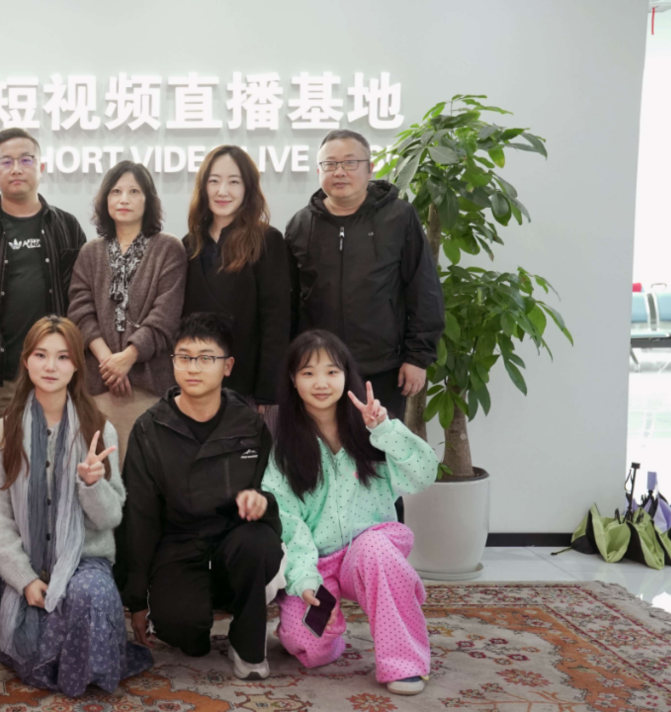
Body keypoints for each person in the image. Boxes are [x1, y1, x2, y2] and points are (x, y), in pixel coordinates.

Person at [0, 316, 152, 697]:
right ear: (26, 361)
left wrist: (92, 484)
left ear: (77, 367)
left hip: (85, 560)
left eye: (63, 357)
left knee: (90, 594)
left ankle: (83, 669)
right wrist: (24, 579)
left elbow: (111, 517)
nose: (51, 366)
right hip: (27, 562)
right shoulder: (2, 432)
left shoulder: (98, 428)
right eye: (41, 355)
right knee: (36, 623)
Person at [261, 329, 437, 696]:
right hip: (319, 561)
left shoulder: (374, 431)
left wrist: (385, 430)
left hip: (369, 550)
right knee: (307, 647)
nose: (321, 383)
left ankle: (404, 662)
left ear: (346, 376)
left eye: (331, 371)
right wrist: (305, 579)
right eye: (308, 373)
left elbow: (423, 474)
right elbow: (288, 524)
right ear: (293, 380)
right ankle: (327, 632)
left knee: (376, 550)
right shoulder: (284, 451)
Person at [0, 127, 88, 576]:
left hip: (53, 380)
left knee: (53, 469)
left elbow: (80, 301)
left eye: (26, 159)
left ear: (40, 166)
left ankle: (50, 561)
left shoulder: (65, 226)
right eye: (6, 161)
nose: (16, 168)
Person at [120, 312, 285, 680]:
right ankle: (193, 608)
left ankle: (247, 643)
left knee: (259, 543)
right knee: (182, 631)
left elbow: (276, 492)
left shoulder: (249, 425)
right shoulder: (150, 429)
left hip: (236, 538)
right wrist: (136, 599)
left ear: (227, 366)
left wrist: (263, 503)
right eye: (184, 357)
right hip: (179, 544)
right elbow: (140, 517)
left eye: (206, 358)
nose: (193, 367)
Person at [283, 129, 444, 420]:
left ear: (370, 169)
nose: (339, 171)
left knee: (379, 445)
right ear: (319, 171)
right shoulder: (301, 224)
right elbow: (290, 302)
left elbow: (424, 290)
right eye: (330, 164)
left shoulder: (399, 217)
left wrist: (418, 357)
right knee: (319, 445)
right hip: (319, 370)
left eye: (350, 162)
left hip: (383, 367)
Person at [68, 161, 186, 459]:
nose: (124, 199)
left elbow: (165, 315)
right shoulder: (90, 252)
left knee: (146, 473)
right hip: (99, 385)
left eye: (134, 191)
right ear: (105, 199)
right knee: (100, 473)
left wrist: (129, 357)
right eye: (116, 191)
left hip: (149, 387)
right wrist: (110, 363)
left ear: (148, 200)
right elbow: (80, 311)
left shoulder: (168, 248)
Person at [181, 146, 291, 411]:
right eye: (214, 181)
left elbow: (276, 322)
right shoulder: (190, 243)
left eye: (234, 182)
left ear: (248, 188)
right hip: (197, 381)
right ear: (203, 187)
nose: (223, 191)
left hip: (248, 386)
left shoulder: (267, 240)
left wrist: (267, 392)